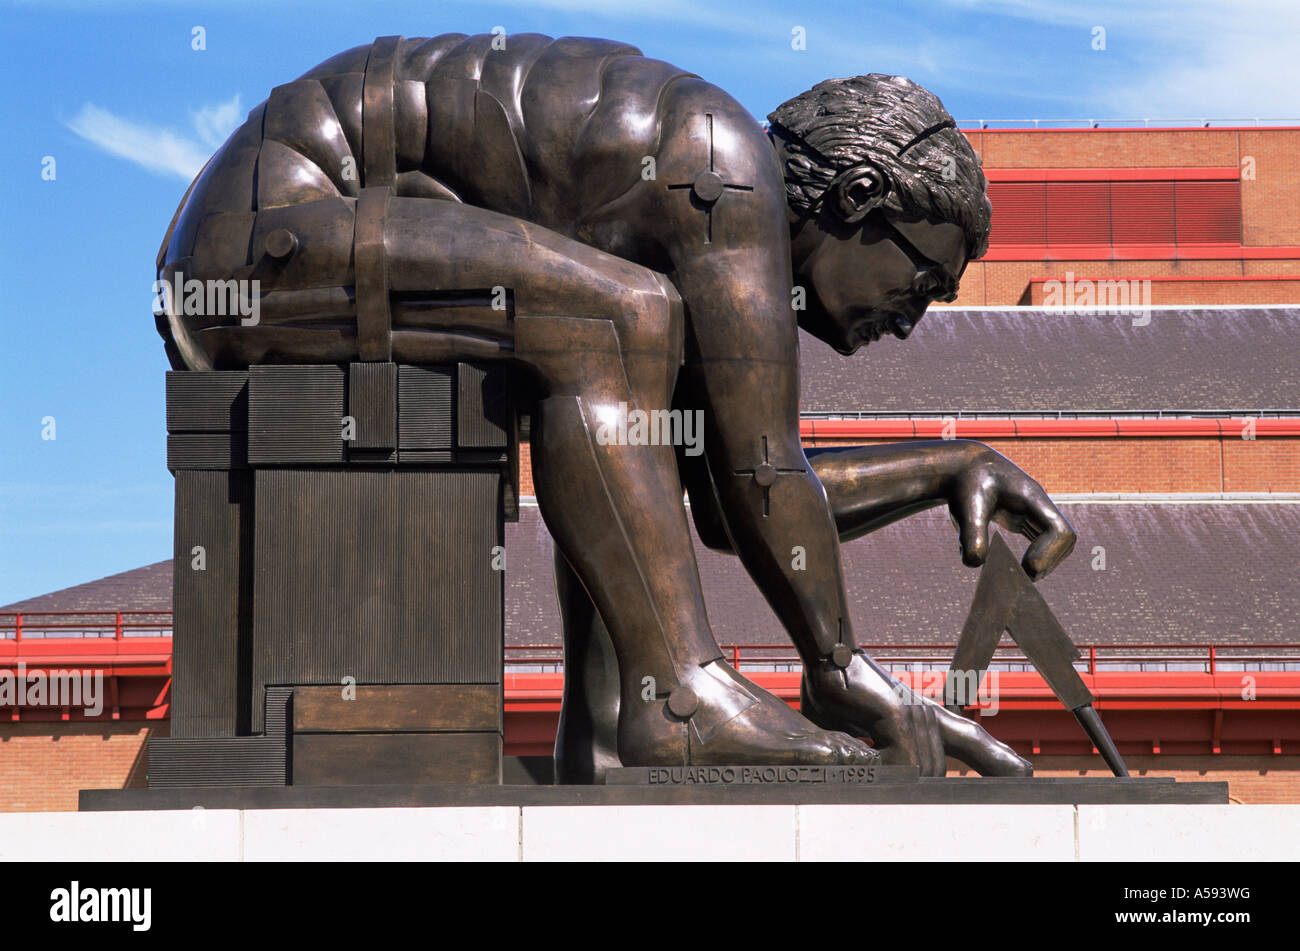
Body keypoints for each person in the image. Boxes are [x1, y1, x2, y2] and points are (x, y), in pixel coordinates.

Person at [156, 33, 1075, 778]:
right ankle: (678, 700)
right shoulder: (725, 168)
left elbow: (724, 499)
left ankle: (604, 730)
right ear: (859, 193)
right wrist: (843, 672)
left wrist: (948, 467)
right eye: (920, 283)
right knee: (616, 319)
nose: (908, 322)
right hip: (259, 239)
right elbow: (763, 474)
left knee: (625, 354)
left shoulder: (690, 208)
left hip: (276, 238)